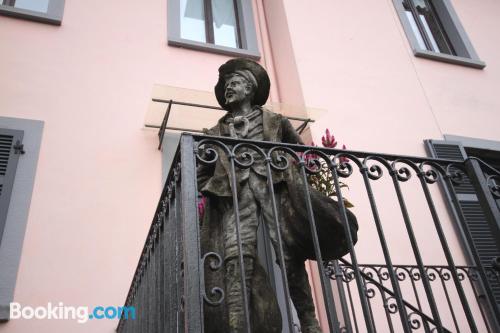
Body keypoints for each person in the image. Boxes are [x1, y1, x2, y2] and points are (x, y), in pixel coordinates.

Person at [197, 58, 357, 333]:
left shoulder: (276, 122)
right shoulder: (216, 132)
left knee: (289, 256)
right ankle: (237, 325)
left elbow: (306, 158)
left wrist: (304, 185)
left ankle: (309, 323)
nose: (228, 89)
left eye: (233, 84)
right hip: (237, 197)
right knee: (236, 258)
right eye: (225, 86)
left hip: (276, 190)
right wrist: (212, 189)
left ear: (249, 89)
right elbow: (201, 174)